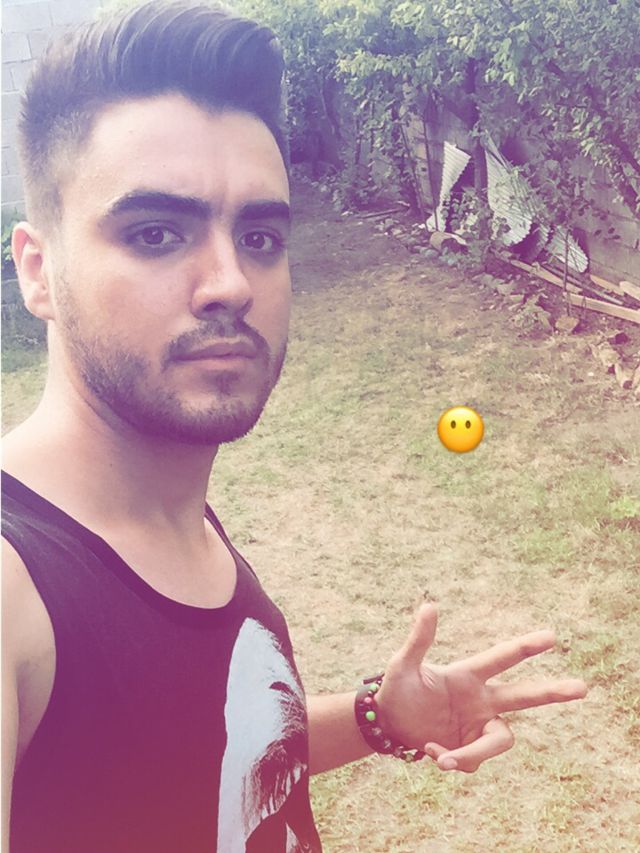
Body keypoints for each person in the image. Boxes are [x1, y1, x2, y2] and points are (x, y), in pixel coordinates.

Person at [1, 2, 587, 851]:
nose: (231, 283)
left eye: (260, 235)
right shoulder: (15, 585)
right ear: (37, 270)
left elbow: (187, 750)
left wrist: (379, 717)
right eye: (155, 233)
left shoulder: (165, 509)